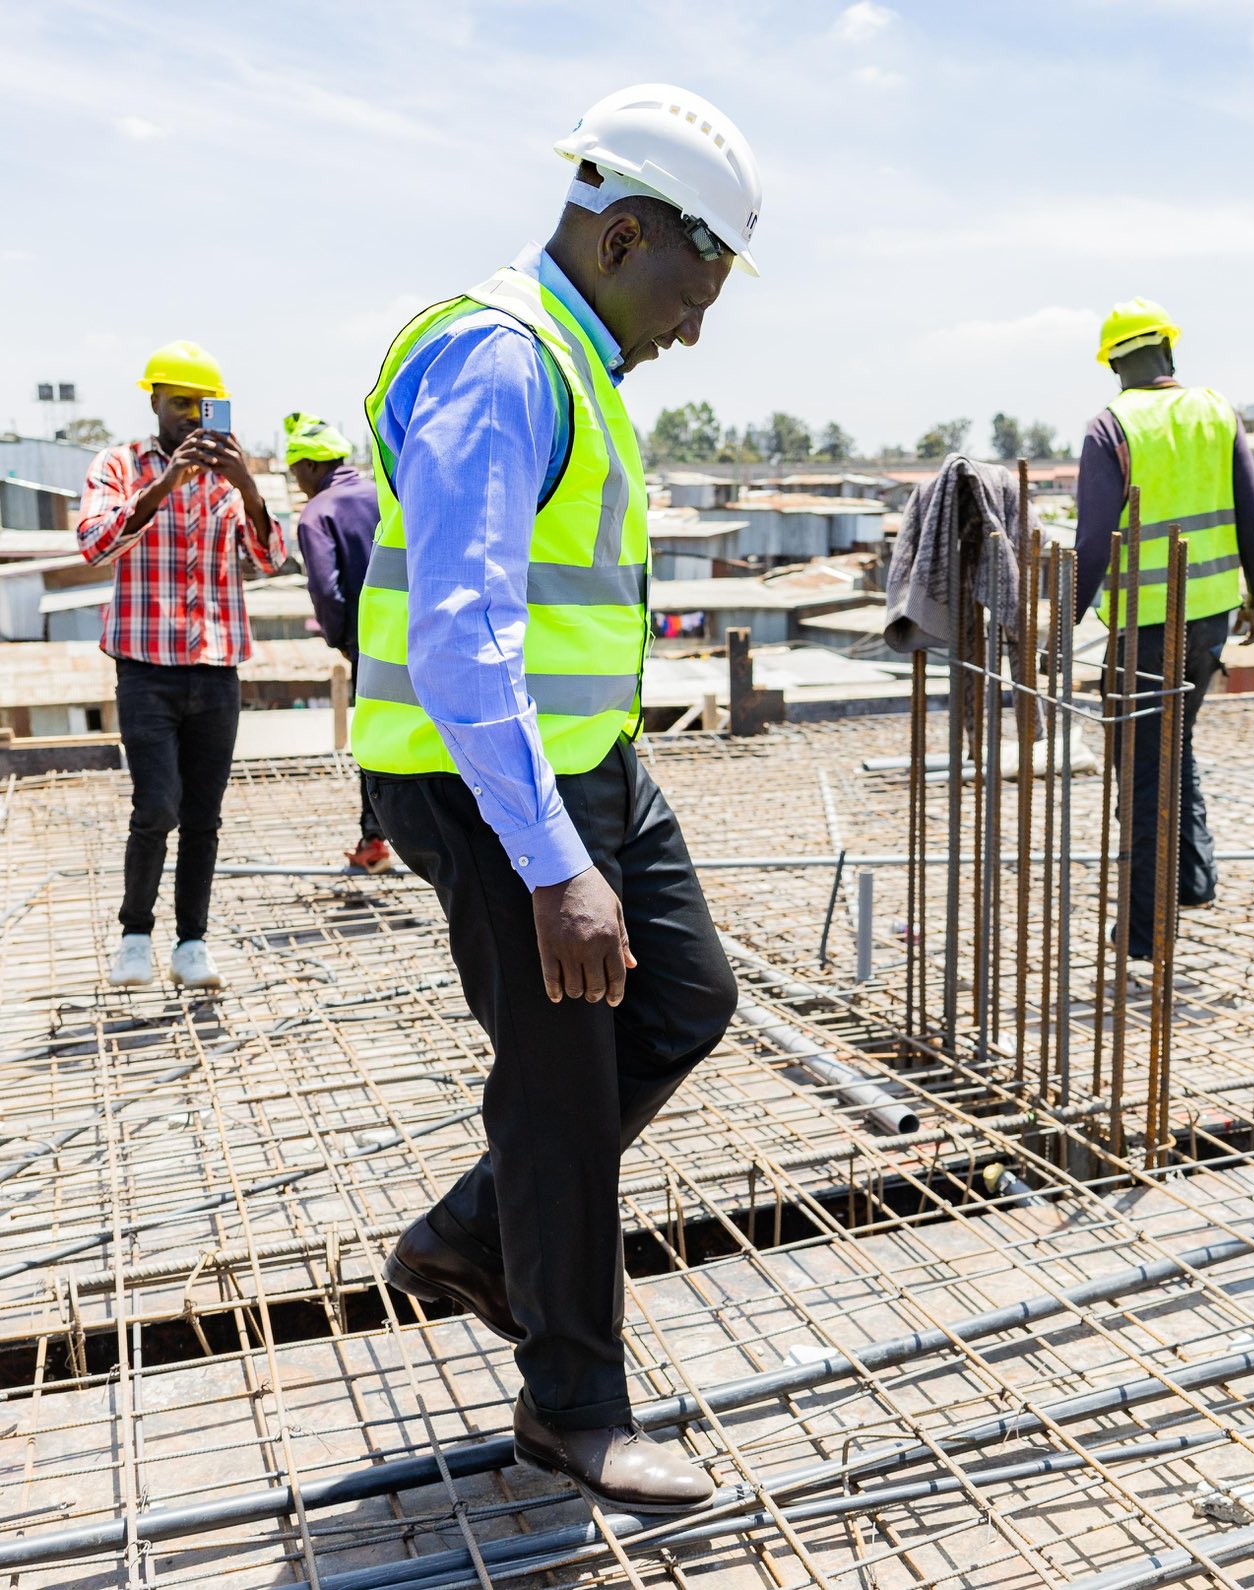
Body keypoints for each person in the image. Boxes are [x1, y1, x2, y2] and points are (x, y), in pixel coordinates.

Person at [356, 83, 758, 1512]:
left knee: (684, 1000)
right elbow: (462, 631)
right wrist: (549, 864)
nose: (696, 323)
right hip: (488, 778)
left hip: (590, 764)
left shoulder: (572, 357)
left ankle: (474, 1235)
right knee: (563, 1086)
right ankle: (571, 1409)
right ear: (626, 233)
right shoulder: (507, 358)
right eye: (695, 285)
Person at [78, 341, 291, 991]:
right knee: (156, 808)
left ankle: (191, 943)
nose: (191, 419)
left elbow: (270, 557)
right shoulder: (120, 464)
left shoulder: (233, 478)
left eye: (202, 407)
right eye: (178, 405)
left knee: (204, 816)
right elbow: (93, 544)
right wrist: (166, 485)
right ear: (154, 404)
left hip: (216, 666)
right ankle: (136, 936)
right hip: (147, 668)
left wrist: (248, 485)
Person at [1075, 296, 1254, 960]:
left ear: (1113, 364)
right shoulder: (1217, 410)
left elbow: (1093, 544)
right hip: (1211, 616)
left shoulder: (1111, 426)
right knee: (1175, 743)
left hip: (1147, 630)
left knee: (1141, 774)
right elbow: (1251, 512)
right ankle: (1190, 880)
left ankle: (1143, 932)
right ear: (1170, 351)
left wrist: (1060, 625)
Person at [284, 411, 390, 872]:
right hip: (423, 633)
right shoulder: (382, 493)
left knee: (375, 740)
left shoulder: (317, 514)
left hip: (372, 643)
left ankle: (375, 842)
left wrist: (341, 638)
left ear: (309, 466)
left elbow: (326, 590)